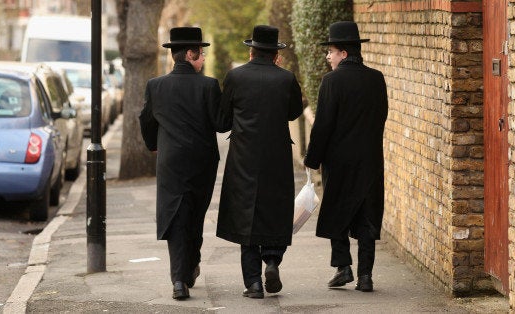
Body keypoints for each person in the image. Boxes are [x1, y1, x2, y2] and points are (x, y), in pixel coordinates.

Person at [216, 25, 303, 299]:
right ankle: (273, 260)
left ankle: (253, 282)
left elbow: (221, 122)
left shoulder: (235, 77)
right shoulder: (286, 79)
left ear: (251, 51)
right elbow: (294, 112)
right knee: (275, 208)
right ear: (276, 55)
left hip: (244, 155)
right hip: (276, 155)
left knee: (246, 214)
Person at [139, 27, 225, 300]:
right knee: (195, 216)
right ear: (190, 54)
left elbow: (146, 121)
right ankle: (189, 268)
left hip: (171, 162)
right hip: (202, 162)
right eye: (201, 53)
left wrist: (156, 146)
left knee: (176, 217)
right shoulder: (209, 85)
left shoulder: (156, 86)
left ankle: (179, 279)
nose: (203, 58)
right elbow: (222, 123)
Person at [303, 21, 388, 292]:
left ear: (343, 53)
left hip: (339, 162)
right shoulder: (376, 79)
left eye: (330, 51)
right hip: (370, 160)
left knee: (337, 211)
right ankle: (365, 275)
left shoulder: (331, 81)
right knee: (366, 216)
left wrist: (312, 158)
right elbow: (381, 116)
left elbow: (323, 124)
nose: (328, 57)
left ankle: (343, 266)